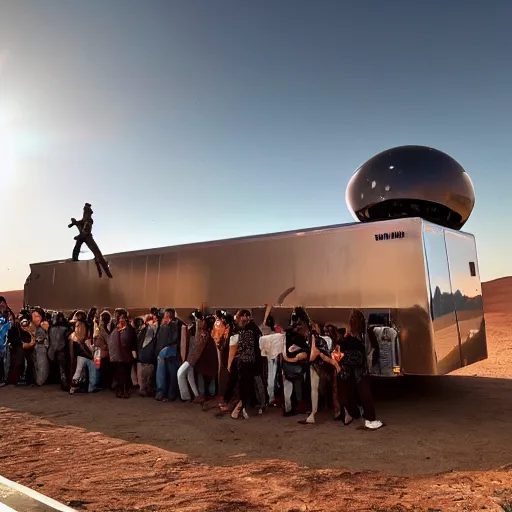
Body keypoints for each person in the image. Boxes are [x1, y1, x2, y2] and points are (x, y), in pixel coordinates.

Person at [337, 309, 383, 430]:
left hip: (349, 369)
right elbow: (374, 350)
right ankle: (369, 419)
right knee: (364, 393)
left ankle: (354, 413)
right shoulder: (367, 333)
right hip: (362, 369)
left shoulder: (348, 338)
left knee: (349, 392)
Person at [219, 309, 259, 419]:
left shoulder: (247, 330)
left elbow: (240, 347)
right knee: (245, 385)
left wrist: (233, 361)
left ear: (244, 317)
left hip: (244, 362)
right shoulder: (251, 329)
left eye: (237, 316)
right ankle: (242, 407)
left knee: (243, 385)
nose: (236, 318)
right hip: (247, 361)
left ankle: (239, 407)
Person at [154, 308, 184, 402]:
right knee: (171, 374)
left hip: (167, 352)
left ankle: (164, 392)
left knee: (166, 374)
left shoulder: (167, 325)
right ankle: (170, 394)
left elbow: (163, 340)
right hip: (170, 352)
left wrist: (160, 351)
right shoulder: (174, 325)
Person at [108, 309, 137, 398]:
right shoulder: (118, 329)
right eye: (120, 318)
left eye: (123, 318)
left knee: (124, 374)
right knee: (121, 374)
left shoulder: (127, 330)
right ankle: (121, 391)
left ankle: (123, 391)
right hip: (120, 357)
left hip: (124, 356)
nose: (121, 320)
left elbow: (132, 343)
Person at [69, 310, 100, 394]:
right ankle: (91, 387)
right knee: (92, 369)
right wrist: (90, 354)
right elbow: (83, 340)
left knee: (78, 370)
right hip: (85, 349)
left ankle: (72, 387)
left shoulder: (75, 326)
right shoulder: (83, 325)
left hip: (80, 352)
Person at [48, 311, 71, 391]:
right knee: (62, 369)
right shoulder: (65, 329)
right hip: (61, 351)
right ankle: (64, 383)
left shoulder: (51, 329)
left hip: (52, 351)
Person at [136, 313, 158, 397]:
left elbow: (139, 342)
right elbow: (152, 344)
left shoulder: (142, 329)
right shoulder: (151, 329)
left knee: (144, 375)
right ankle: (147, 389)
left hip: (143, 356)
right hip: (148, 356)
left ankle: (143, 389)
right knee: (149, 374)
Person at [93, 310, 113, 389]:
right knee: (103, 369)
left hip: (101, 352)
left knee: (101, 369)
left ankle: (103, 384)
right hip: (103, 352)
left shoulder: (101, 329)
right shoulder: (106, 329)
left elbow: (97, 341)